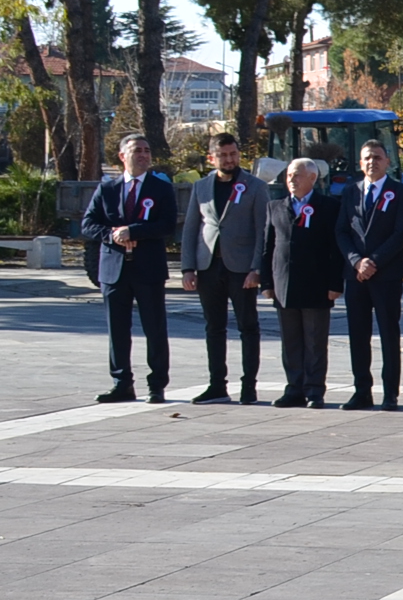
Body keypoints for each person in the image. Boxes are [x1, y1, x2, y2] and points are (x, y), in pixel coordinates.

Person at [81, 133, 179, 404]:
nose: (144, 155)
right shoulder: (108, 189)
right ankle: (121, 383)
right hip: (114, 271)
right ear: (122, 156)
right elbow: (88, 225)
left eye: (147, 150)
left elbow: (168, 225)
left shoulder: (160, 189)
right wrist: (113, 234)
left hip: (148, 270)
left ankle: (157, 385)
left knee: (154, 329)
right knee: (118, 330)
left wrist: (134, 231)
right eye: (137, 150)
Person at [180, 131, 266, 405]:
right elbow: (192, 227)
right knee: (214, 327)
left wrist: (257, 268)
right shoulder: (201, 187)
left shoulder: (254, 186)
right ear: (211, 158)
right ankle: (217, 385)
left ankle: (248, 387)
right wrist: (187, 268)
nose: (229, 160)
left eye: (233, 154)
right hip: (208, 267)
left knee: (248, 327)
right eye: (223, 155)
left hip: (241, 269)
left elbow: (262, 230)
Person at [336, 140, 403, 410]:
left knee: (388, 334)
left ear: (387, 162)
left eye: (378, 158)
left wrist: (374, 262)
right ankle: (362, 391)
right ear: (360, 163)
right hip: (356, 276)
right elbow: (342, 231)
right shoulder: (350, 192)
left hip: (387, 275)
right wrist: (358, 262)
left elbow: (400, 233)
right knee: (358, 335)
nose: (372, 162)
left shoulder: (402, 192)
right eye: (367, 158)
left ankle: (390, 393)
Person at [264, 158, 343, 407]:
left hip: (316, 285)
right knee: (291, 342)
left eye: (297, 175)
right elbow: (268, 247)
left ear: (312, 178)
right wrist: (266, 282)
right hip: (284, 285)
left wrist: (335, 284)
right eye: (289, 175)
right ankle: (294, 388)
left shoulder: (329, 207)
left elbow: (335, 249)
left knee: (315, 341)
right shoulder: (275, 207)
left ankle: (314, 390)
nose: (291, 180)